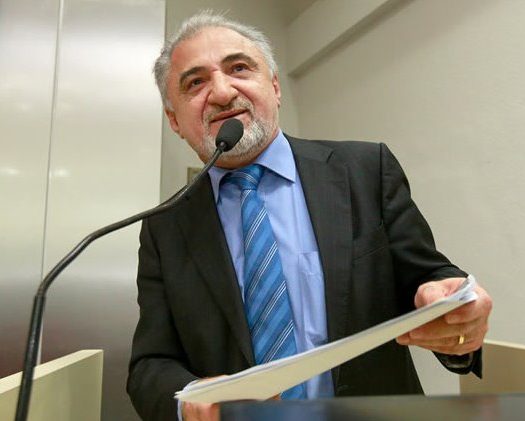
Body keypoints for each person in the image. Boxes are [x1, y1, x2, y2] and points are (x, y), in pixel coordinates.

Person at [127, 11, 492, 421]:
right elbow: (150, 364)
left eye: (239, 68)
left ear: (275, 86)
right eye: (195, 83)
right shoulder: (165, 225)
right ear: (174, 120)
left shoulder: (364, 170)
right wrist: (190, 401)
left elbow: (429, 278)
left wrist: (456, 313)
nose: (223, 93)